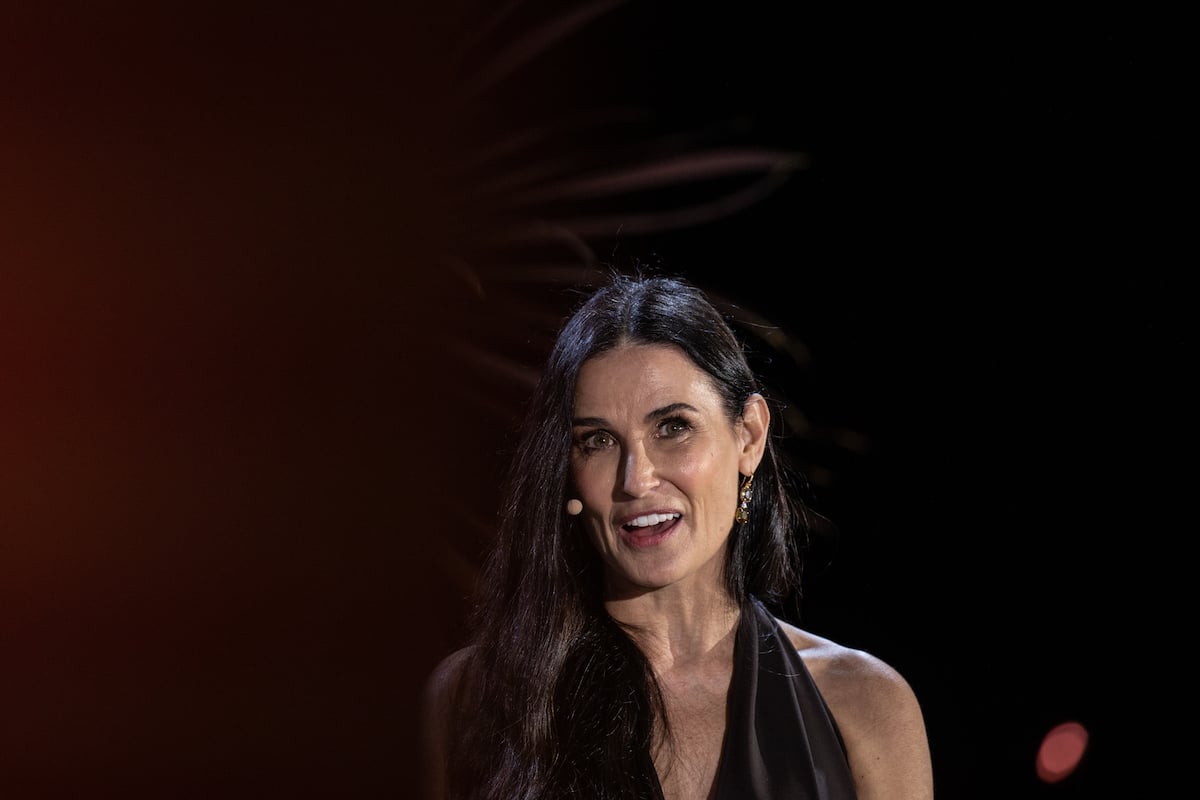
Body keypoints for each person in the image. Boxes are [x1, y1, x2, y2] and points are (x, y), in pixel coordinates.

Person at [422, 270, 933, 799]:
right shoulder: (473, 699)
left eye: (672, 427)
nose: (635, 479)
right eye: (597, 440)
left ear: (750, 436)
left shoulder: (864, 705)